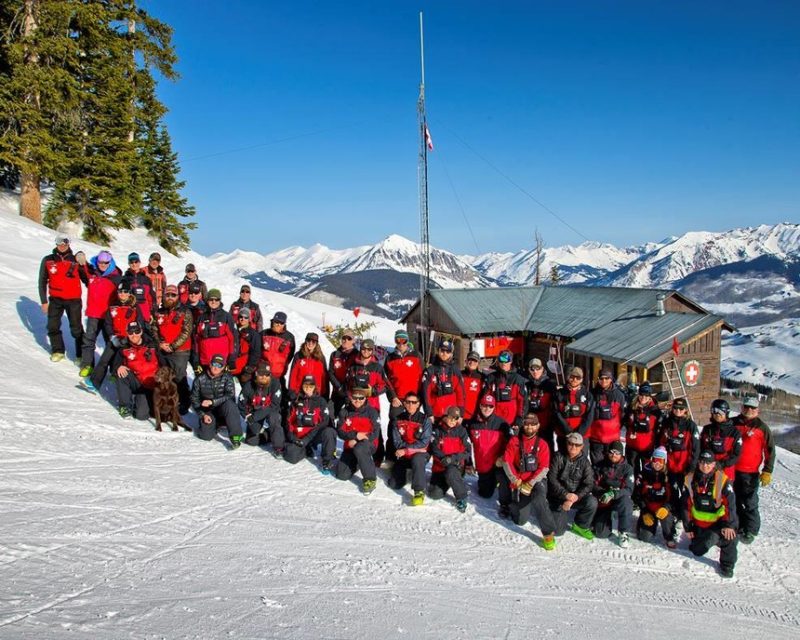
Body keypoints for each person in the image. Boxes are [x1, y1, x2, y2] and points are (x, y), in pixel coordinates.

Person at [500, 412, 557, 550]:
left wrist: (530, 483)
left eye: (533, 424)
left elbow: (544, 468)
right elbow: (506, 461)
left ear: (538, 426)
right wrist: (516, 480)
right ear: (523, 425)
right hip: (519, 482)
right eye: (527, 424)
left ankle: (548, 533)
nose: (529, 427)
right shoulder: (514, 442)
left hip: (536, 482)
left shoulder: (543, 444)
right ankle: (514, 503)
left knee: (539, 497)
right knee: (520, 520)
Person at [682, 450, 739, 578]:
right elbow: (686, 505)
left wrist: (729, 524)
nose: (705, 466)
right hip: (699, 525)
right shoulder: (690, 479)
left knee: (730, 537)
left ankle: (727, 565)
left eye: (709, 463)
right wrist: (688, 526)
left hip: (718, 524)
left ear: (714, 464)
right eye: (702, 462)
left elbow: (730, 504)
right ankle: (712, 537)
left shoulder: (722, 480)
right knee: (697, 551)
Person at [84, 281, 149, 392]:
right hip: (116, 338)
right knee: (105, 359)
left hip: (129, 339)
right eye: (120, 292)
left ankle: (120, 380)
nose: (122, 294)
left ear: (130, 293)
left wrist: (132, 338)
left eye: (125, 292)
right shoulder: (113, 306)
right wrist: (111, 336)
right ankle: (95, 382)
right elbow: (108, 323)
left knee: (123, 361)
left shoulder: (134, 307)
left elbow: (140, 323)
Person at [732, 396, 775, 544]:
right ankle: (737, 525)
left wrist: (767, 471)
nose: (749, 410)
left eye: (753, 408)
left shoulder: (761, 427)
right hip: (732, 470)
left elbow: (770, 450)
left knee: (749, 502)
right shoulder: (733, 423)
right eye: (746, 407)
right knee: (733, 499)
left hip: (750, 472)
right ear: (742, 407)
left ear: (758, 410)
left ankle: (750, 530)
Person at [39, 233, 84, 362]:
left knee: (76, 328)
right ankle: (58, 350)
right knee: (52, 326)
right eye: (60, 242)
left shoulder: (75, 260)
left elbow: (87, 278)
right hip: (55, 299)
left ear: (69, 244)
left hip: (73, 300)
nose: (62, 245)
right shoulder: (48, 260)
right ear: (56, 243)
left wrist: (83, 260)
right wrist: (44, 301)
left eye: (65, 243)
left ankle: (81, 354)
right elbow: (42, 280)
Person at [79, 250, 122, 377]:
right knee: (89, 340)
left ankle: (114, 371)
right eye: (100, 262)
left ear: (110, 262)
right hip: (93, 313)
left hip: (109, 315)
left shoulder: (116, 277)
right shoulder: (92, 273)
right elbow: (82, 265)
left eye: (106, 262)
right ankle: (87, 365)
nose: (103, 264)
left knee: (111, 342)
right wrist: (80, 255)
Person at [547, 432, 598, 540]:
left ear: (582, 446)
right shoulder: (558, 456)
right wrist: (565, 495)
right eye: (571, 443)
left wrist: (575, 497)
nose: (573, 447)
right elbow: (552, 479)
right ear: (567, 443)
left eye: (577, 445)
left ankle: (580, 525)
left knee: (592, 502)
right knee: (558, 531)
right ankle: (553, 511)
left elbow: (589, 483)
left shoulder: (585, 462)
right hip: (558, 496)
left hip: (574, 497)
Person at [345, 338, 387, 464]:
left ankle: (378, 458)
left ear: (372, 351)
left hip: (372, 404)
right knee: (356, 428)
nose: (366, 351)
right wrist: (349, 398)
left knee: (375, 430)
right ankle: (357, 454)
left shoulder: (377, 367)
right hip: (356, 403)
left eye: (369, 349)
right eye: (364, 349)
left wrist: (373, 391)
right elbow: (347, 384)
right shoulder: (354, 366)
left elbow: (384, 386)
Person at [465, 394, 510, 511]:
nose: (487, 409)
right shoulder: (472, 424)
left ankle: (505, 502)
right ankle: (490, 481)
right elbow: (464, 444)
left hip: (498, 464)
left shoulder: (502, 424)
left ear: (494, 407)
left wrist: (503, 458)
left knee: (503, 479)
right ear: (480, 406)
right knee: (485, 494)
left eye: (490, 406)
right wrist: (468, 462)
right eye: (485, 405)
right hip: (483, 465)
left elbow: (512, 445)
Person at [154, 284, 194, 414]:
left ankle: (185, 401)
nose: (170, 297)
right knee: (165, 377)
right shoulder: (159, 312)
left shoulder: (185, 311)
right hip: (163, 349)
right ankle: (166, 401)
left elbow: (186, 332)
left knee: (179, 377)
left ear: (177, 296)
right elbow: (154, 329)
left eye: (173, 295)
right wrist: (160, 343)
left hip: (179, 351)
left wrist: (172, 346)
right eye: (168, 295)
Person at [284, 375, 336, 472]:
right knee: (291, 456)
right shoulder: (296, 400)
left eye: (311, 386)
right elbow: (289, 421)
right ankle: (306, 449)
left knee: (329, 431)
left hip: (314, 434)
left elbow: (324, 422)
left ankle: (327, 461)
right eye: (305, 385)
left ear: (315, 387)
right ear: (302, 386)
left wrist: (308, 438)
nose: (308, 388)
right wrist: (293, 437)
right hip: (300, 436)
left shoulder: (321, 401)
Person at [388, 392, 432, 505]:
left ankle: (419, 491)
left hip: (420, 454)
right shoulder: (398, 419)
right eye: (408, 402)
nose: (410, 405)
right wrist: (403, 451)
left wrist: (406, 450)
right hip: (403, 455)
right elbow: (397, 441)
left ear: (418, 404)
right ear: (404, 403)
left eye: (414, 402)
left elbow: (424, 442)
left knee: (417, 460)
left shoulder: (425, 420)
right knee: (394, 484)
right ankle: (406, 472)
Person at [658, 397, 700, 516]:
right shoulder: (667, 422)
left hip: (684, 465)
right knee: (673, 490)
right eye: (675, 408)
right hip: (670, 465)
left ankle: (685, 516)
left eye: (681, 409)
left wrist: (691, 467)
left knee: (686, 492)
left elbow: (696, 448)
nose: (678, 410)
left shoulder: (691, 426)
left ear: (685, 410)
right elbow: (661, 442)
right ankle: (674, 513)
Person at [191, 353, 243, 448]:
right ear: (210, 364)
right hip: (208, 411)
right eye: (214, 364)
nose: (216, 368)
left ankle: (235, 436)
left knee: (230, 405)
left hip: (223, 409)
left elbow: (230, 394)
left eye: (220, 365)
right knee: (206, 436)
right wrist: (203, 415)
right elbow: (194, 399)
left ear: (223, 367)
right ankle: (213, 425)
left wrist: (213, 401)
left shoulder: (227, 377)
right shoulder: (199, 379)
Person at [114, 320, 163, 420]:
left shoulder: (152, 345)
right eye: (131, 332)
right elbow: (115, 365)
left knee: (142, 416)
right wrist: (118, 367)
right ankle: (125, 406)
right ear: (127, 333)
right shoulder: (123, 348)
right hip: (137, 382)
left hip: (153, 383)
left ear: (141, 331)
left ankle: (144, 402)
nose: (134, 335)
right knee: (122, 373)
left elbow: (164, 364)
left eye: (136, 331)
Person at [335, 389, 381, 494]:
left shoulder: (372, 412)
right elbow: (340, 432)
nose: (358, 400)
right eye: (355, 398)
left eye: (361, 398)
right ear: (351, 398)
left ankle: (370, 479)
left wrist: (357, 439)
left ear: (365, 398)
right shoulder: (344, 411)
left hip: (367, 444)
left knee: (359, 449)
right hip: (350, 445)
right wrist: (355, 435)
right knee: (342, 475)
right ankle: (358, 463)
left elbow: (375, 433)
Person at [591, 440, 635, 547]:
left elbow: (629, 489)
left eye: (617, 453)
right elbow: (592, 483)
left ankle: (623, 532)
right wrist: (602, 492)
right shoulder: (600, 465)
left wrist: (614, 494)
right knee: (600, 533)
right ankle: (602, 518)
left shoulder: (627, 468)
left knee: (627, 502)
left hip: (618, 498)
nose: (613, 455)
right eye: (611, 452)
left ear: (621, 454)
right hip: (604, 498)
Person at [428, 406, 471, 512]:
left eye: (456, 418)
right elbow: (433, 447)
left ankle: (462, 497)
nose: (453, 421)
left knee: (451, 471)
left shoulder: (462, 431)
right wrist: (443, 458)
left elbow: (468, 451)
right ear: (446, 416)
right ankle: (449, 482)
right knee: (435, 494)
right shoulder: (437, 430)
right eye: (451, 417)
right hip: (439, 467)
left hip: (455, 466)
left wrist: (452, 458)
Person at [634, 447, 679, 548]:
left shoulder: (670, 476)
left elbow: (675, 498)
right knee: (645, 537)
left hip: (663, 508)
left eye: (660, 461)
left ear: (665, 461)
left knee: (666, 517)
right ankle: (642, 524)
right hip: (649, 508)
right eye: (655, 460)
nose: (657, 464)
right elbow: (637, 495)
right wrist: (644, 510)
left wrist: (667, 507)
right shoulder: (644, 473)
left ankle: (669, 535)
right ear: (651, 460)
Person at [239, 362, 285, 455]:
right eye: (261, 374)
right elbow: (241, 404)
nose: (264, 376)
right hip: (254, 411)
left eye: (267, 374)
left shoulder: (275, 383)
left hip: (270, 412)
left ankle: (279, 447)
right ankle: (267, 434)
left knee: (274, 418)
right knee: (251, 441)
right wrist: (247, 416)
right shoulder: (249, 385)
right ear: (256, 374)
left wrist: (254, 417)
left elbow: (274, 404)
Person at [622, 381, 662, 479]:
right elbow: (625, 421)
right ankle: (633, 491)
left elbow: (658, 428)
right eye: (641, 395)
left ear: (650, 396)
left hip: (647, 447)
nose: (643, 398)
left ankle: (644, 491)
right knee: (632, 471)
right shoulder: (632, 406)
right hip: (632, 446)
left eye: (646, 395)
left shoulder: (655, 410)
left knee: (646, 471)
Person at [482, 350, 528, 432]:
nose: (504, 363)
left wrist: (519, 420)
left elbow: (523, 402)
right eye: (501, 360)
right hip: (494, 418)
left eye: (506, 360)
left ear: (511, 361)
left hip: (512, 420)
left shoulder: (518, 379)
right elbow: (485, 398)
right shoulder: (491, 378)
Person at [192, 288, 237, 372]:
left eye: (217, 299)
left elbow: (233, 339)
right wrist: (195, 360)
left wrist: (231, 359)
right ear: (207, 300)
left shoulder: (226, 316)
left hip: (221, 361)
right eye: (211, 299)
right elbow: (196, 340)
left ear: (220, 301)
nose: (214, 302)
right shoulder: (201, 317)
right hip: (205, 361)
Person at [588, 369, 626, 465]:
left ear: (611, 379)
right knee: (596, 465)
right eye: (601, 378)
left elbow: (622, 415)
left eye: (607, 378)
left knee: (610, 465)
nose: (604, 381)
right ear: (598, 379)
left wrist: (615, 426)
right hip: (595, 437)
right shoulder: (592, 394)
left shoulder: (619, 395)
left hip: (612, 438)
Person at [383, 329, 423, 420]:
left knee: (413, 423)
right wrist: (393, 397)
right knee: (395, 421)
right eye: (398, 340)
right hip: (398, 399)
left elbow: (423, 377)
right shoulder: (390, 358)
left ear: (407, 341)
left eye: (403, 340)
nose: (401, 343)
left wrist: (420, 398)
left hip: (413, 398)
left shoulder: (416, 355)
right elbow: (386, 380)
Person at [553, 366, 594, 454]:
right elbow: (556, 413)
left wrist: (580, 432)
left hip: (582, 435)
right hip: (564, 433)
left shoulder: (587, 395)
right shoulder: (560, 393)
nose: (574, 379)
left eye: (578, 377)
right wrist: (566, 429)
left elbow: (589, 415)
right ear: (568, 377)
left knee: (581, 461)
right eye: (572, 377)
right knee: (563, 460)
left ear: (582, 379)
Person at [421, 338, 465, 419]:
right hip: (435, 413)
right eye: (442, 351)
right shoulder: (430, 370)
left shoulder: (455, 370)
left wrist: (461, 413)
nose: (444, 353)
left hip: (452, 415)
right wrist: (429, 412)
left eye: (448, 352)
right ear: (438, 351)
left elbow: (461, 393)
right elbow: (425, 393)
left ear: (451, 354)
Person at [700, 399, 742, 481]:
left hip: (725, 471)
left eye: (721, 411)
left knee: (723, 493)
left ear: (726, 413)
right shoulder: (707, 429)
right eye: (714, 411)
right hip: (707, 469)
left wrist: (721, 464)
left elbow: (736, 454)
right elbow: (701, 448)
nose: (717, 414)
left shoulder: (734, 432)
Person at [525, 357, 557, 454]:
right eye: (532, 369)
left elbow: (554, 405)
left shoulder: (549, 385)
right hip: (531, 425)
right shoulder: (526, 384)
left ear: (542, 369)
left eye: (537, 368)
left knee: (547, 448)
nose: (535, 371)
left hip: (546, 424)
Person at [288, 332, 330, 400]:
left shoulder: (321, 358)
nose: (310, 343)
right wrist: (292, 391)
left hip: (316, 394)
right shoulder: (298, 355)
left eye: (313, 341)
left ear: (316, 343)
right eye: (308, 340)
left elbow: (324, 377)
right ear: (305, 341)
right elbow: (293, 374)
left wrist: (325, 394)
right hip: (300, 393)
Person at [259, 311, 296, 384]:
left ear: (284, 324)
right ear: (273, 321)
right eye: (276, 322)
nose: (278, 325)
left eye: (281, 323)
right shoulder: (263, 334)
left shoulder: (289, 337)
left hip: (278, 375)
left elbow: (290, 355)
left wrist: (283, 365)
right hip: (263, 373)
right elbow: (257, 351)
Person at [328, 328, 358, 414]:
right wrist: (339, 387)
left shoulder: (357, 355)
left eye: (349, 338)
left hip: (351, 393)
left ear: (353, 341)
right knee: (330, 414)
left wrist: (349, 388)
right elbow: (331, 373)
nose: (346, 340)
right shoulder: (335, 354)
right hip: (337, 391)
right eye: (344, 338)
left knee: (347, 418)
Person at [229, 307, 260, 384]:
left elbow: (255, 353)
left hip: (244, 369)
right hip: (230, 367)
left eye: (246, 317)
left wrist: (248, 370)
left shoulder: (253, 334)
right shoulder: (232, 330)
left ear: (249, 319)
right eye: (241, 316)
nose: (243, 319)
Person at [123, 252, 156, 322]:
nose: (134, 264)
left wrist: (152, 313)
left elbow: (151, 297)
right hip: (130, 313)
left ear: (139, 262)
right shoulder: (124, 279)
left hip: (145, 312)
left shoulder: (146, 279)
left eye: (136, 261)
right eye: (131, 262)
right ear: (129, 264)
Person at [461, 351, 485, 421]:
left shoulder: (482, 378)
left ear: (478, 363)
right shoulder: (459, 375)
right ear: (466, 361)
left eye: (475, 361)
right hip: (460, 415)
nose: (472, 362)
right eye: (470, 360)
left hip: (475, 415)